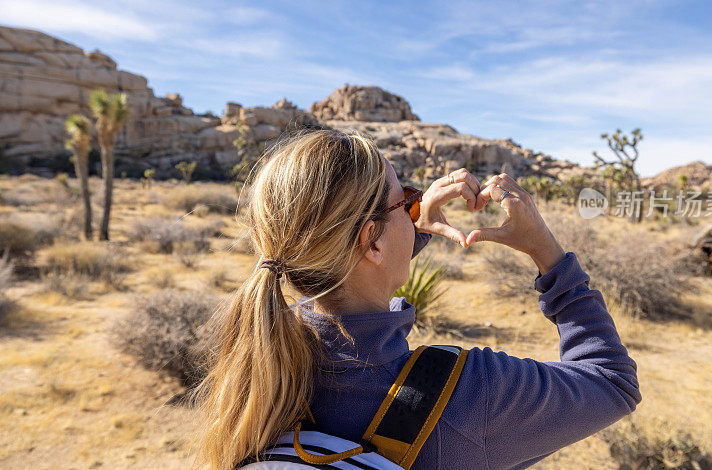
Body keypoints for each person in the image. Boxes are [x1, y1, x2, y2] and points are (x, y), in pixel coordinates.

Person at [192, 128, 641, 470]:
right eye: (403, 202)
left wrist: (407, 230)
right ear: (371, 244)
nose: (415, 208)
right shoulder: (473, 394)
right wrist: (547, 251)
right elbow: (613, 381)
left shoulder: (262, 351)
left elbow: (356, 270)